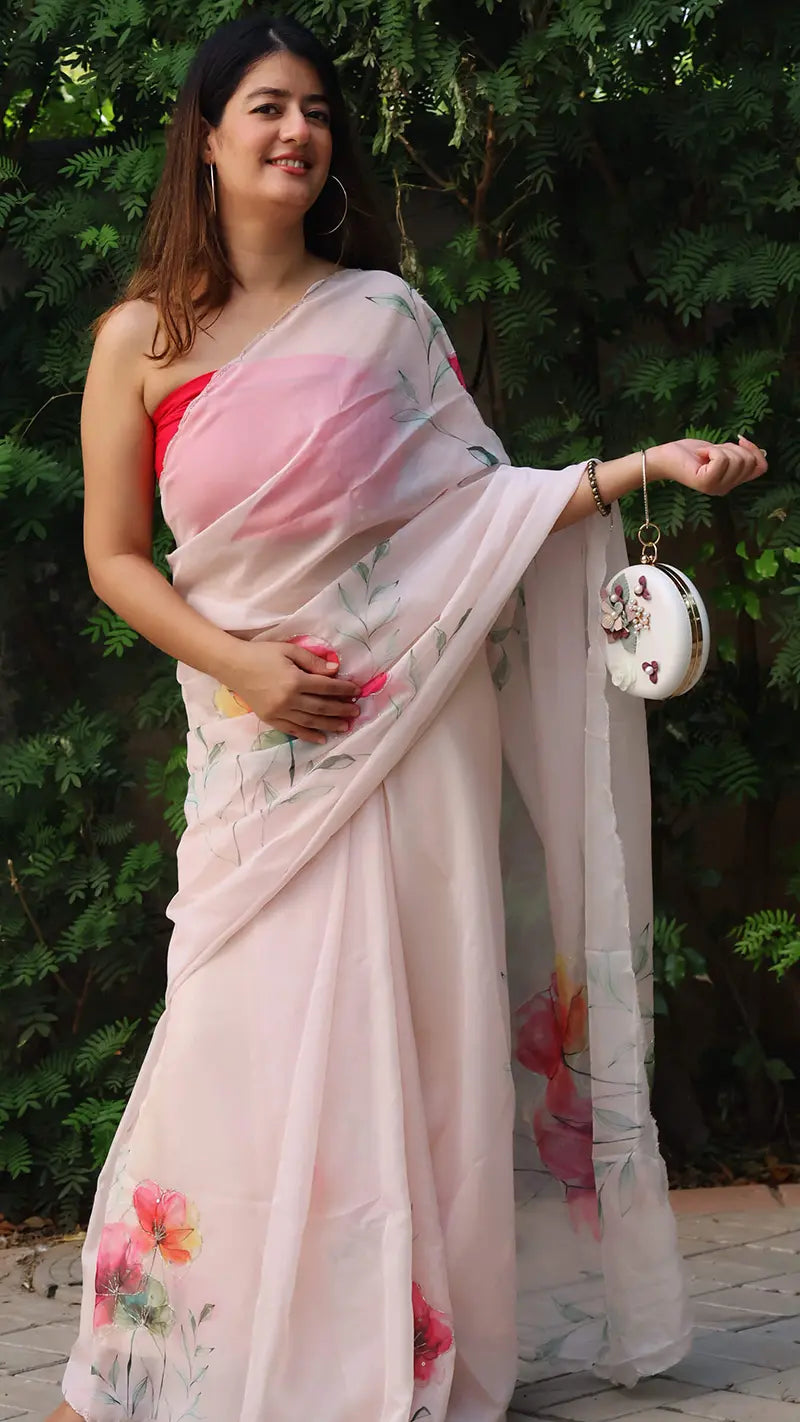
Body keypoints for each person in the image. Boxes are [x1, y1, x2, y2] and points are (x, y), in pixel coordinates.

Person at [50, 12, 767, 1422]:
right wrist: (244, 668)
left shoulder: (384, 316)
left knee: (408, 1033)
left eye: (315, 110)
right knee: (228, 1032)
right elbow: (115, 557)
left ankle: (382, 1338)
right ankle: (143, 1360)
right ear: (205, 133)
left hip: (406, 726)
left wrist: (637, 468)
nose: (294, 132)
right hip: (258, 743)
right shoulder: (138, 338)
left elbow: (475, 513)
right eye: (263, 107)